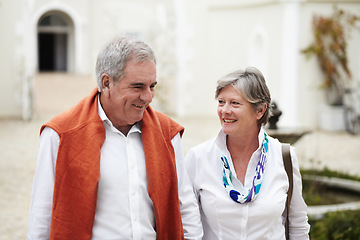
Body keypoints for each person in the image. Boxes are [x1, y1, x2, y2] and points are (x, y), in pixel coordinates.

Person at [27, 36, 203, 240]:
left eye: (152, 86)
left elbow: (185, 206)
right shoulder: (60, 135)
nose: (148, 97)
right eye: (137, 87)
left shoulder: (167, 134)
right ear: (106, 82)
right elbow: (42, 215)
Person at [185, 67, 310, 239]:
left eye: (235, 103)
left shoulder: (284, 157)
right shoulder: (198, 158)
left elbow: (298, 224)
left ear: (260, 110)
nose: (224, 110)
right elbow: (188, 225)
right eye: (221, 102)